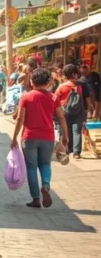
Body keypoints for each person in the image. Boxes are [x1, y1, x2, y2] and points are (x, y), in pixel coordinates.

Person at [12, 67, 69, 208]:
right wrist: (65, 136)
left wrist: (13, 138)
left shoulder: (26, 96)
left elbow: (20, 118)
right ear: (48, 82)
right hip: (48, 137)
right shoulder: (53, 97)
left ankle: (36, 199)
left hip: (29, 137)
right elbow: (61, 117)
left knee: (31, 167)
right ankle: (45, 185)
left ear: (32, 81)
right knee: (45, 164)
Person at [55, 64, 88, 159]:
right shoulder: (80, 85)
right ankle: (76, 152)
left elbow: (55, 99)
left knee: (67, 131)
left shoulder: (61, 87)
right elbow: (85, 99)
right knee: (77, 131)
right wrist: (88, 110)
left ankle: (68, 149)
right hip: (78, 111)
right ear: (74, 74)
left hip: (65, 111)